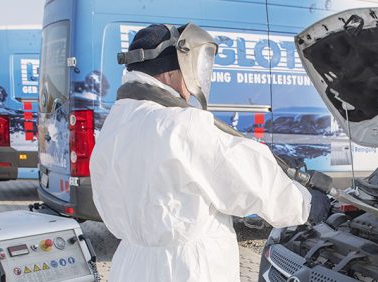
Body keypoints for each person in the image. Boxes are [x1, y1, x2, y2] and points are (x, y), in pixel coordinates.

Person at [89, 23, 331, 282]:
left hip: (130, 265)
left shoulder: (116, 123)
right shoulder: (180, 124)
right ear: (170, 71)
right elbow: (249, 180)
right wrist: (305, 204)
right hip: (185, 269)